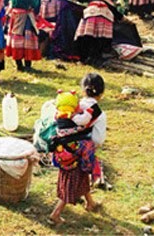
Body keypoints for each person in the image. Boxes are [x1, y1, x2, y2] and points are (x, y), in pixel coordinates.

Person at [49, 73, 105, 225]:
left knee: (80, 177)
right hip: (77, 152)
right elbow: (98, 139)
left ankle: (90, 203)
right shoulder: (97, 112)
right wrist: (88, 147)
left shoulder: (73, 104)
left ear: (82, 90)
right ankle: (55, 214)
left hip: (63, 149)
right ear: (102, 93)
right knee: (72, 182)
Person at [74, 0, 123, 67]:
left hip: (90, 18)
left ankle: (84, 58)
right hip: (104, 21)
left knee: (86, 38)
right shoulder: (110, 4)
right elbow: (119, 16)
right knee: (99, 41)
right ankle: (95, 59)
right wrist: (129, 22)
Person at [5, 0, 42, 72]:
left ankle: (19, 65)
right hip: (25, 18)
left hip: (14, 17)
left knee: (16, 39)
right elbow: (35, 3)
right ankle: (28, 65)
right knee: (27, 40)